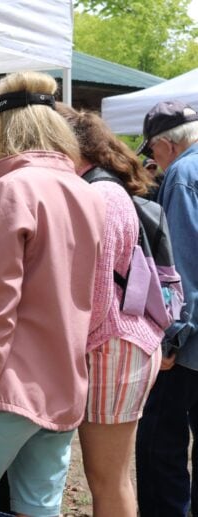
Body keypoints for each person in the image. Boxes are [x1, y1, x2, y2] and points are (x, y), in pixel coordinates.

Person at [0, 71, 106, 517]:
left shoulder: (11, 189)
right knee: (39, 508)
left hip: (5, 391)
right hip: (64, 387)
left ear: (0, 126)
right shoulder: (86, 194)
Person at [57, 104, 163, 516]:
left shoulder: (98, 193)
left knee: (108, 480)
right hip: (122, 344)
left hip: (113, 348)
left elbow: (97, 298)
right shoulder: (105, 187)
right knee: (111, 478)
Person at [135, 100, 198, 516]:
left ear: (165, 144)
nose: (151, 161)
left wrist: (171, 341)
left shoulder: (182, 175)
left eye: (151, 151)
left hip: (190, 345)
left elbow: (183, 269)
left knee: (160, 445)